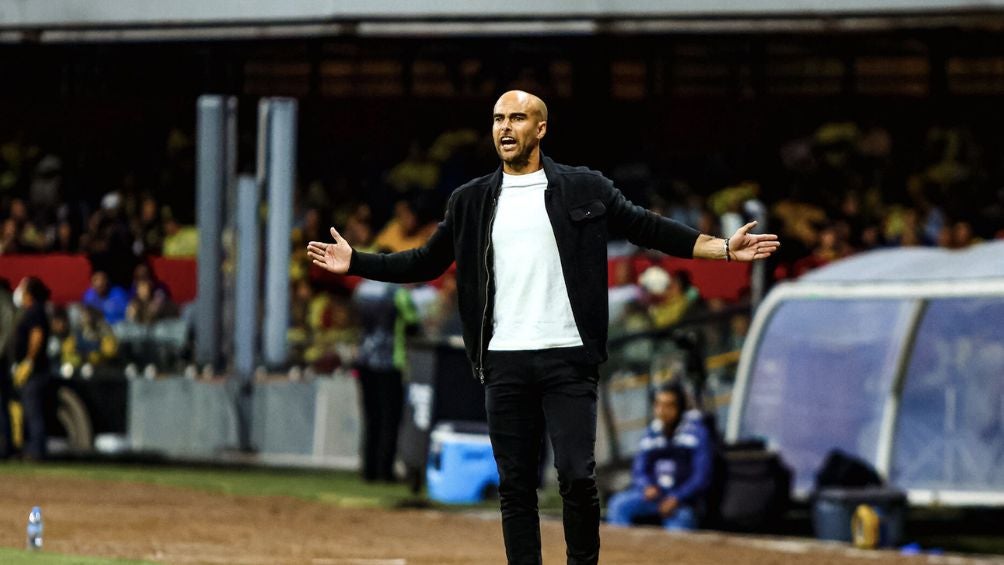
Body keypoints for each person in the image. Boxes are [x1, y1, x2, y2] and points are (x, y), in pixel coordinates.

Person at [307, 90, 780, 565]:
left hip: (568, 356)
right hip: (503, 359)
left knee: (576, 475)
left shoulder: (584, 187)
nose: (505, 128)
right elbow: (425, 261)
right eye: (497, 119)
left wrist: (721, 248)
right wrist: (356, 263)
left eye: (517, 118)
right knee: (515, 486)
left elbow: (646, 227)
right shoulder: (470, 200)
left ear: (541, 128)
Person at [606, 382, 713, 531]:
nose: (663, 411)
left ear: (680, 407)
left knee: (680, 526)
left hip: (682, 502)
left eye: (669, 405)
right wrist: (646, 486)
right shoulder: (651, 433)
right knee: (619, 505)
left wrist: (677, 497)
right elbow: (639, 470)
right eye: (658, 405)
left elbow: (701, 477)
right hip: (653, 498)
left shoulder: (697, 433)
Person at [11, 276, 52, 460]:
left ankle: (36, 451)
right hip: (33, 369)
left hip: (36, 371)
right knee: (28, 411)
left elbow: (37, 336)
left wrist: (28, 361)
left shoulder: (35, 311)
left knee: (33, 411)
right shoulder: (32, 311)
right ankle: (32, 448)